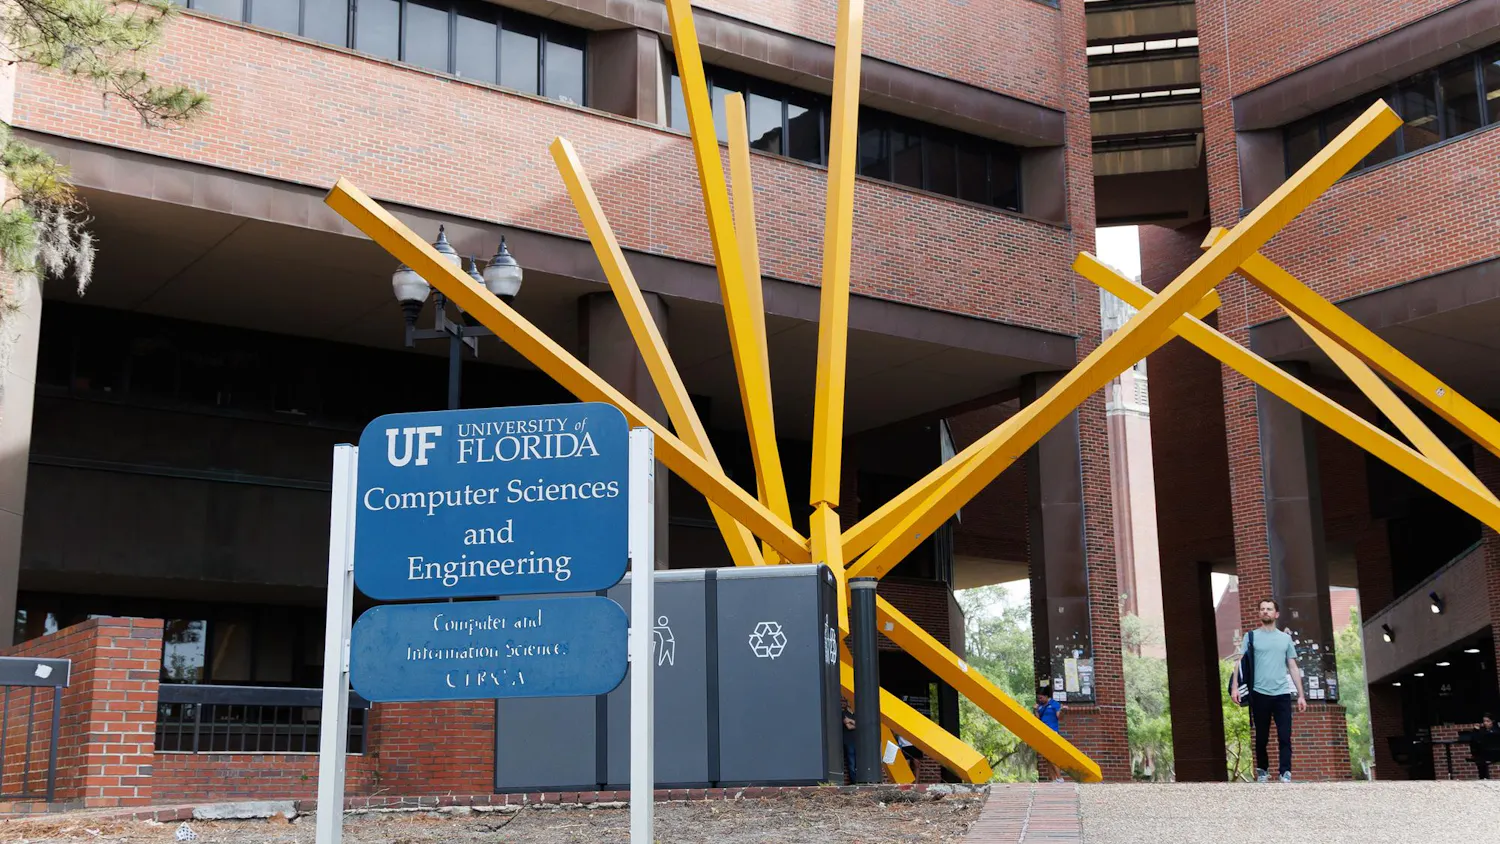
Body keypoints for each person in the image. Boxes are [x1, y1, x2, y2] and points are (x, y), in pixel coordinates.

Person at [1231, 598, 1308, 783]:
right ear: (1259, 614)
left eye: (1269, 609)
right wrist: (1235, 687)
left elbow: (1293, 666)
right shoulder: (1251, 637)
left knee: (1284, 736)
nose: (1266, 611)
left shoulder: (1285, 639)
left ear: (1276, 614)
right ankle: (1263, 771)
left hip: (1282, 694)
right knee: (1262, 736)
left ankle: (1285, 772)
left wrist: (1301, 695)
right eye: (1263, 609)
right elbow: (1239, 663)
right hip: (1259, 693)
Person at [1034, 689, 1067, 782]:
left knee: (1052, 756)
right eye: (1038, 698)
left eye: (1041, 698)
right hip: (1043, 733)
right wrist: (1036, 710)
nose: (1039, 700)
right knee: (1047, 757)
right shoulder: (1040, 706)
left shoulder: (1054, 704)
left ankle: (1060, 778)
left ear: (1046, 696)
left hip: (1052, 732)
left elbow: (1059, 717)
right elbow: (1038, 720)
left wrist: (1063, 711)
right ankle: (1053, 780)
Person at [1469, 713, 1499, 780]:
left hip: (1496, 753)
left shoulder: (1496, 730)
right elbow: (1475, 740)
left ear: (1492, 722)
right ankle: (1483, 778)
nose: (1485, 723)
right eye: (1484, 721)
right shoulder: (1481, 730)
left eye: (1488, 721)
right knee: (1480, 759)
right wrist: (1475, 730)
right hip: (1484, 753)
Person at [841, 704, 857, 782]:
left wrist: (850, 720)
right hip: (848, 741)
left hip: (857, 742)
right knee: (851, 762)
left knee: (858, 761)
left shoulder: (855, 714)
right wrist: (855, 724)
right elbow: (849, 727)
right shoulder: (844, 713)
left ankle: (858, 779)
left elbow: (860, 724)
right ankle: (853, 781)